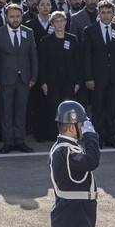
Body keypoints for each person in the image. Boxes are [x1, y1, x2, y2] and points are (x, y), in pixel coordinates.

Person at [0, 3, 38, 154]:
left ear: (21, 17)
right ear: (6, 17)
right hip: (5, 80)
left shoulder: (28, 32)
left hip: (24, 79)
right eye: (12, 16)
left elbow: (33, 56)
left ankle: (20, 141)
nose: (15, 19)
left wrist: (33, 77)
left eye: (17, 16)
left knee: (21, 111)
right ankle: (8, 142)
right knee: (6, 112)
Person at [82, 0, 115, 148]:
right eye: (103, 13)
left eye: (109, 13)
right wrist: (89, 77)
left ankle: (111, 137)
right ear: (99, 13)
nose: (106, 16)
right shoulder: (90, 30)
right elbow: (86, 56)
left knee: (113, 108)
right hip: (97, 77)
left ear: (113, 14)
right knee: (98, 108)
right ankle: (99, 137)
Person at [38, 11, 81, 142]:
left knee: (67, 109)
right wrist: (43, 82)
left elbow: (77, 61)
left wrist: (78, 81)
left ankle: (68, 135)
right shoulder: (46, 41)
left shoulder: (72, 39)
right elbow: (42, 63)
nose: (59, 24)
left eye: (62, 21)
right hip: (52, 81)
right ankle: (54, 135)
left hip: (69, 80)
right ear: (52, 24)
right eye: (56, 21)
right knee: (53, 109)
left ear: (66, 22)